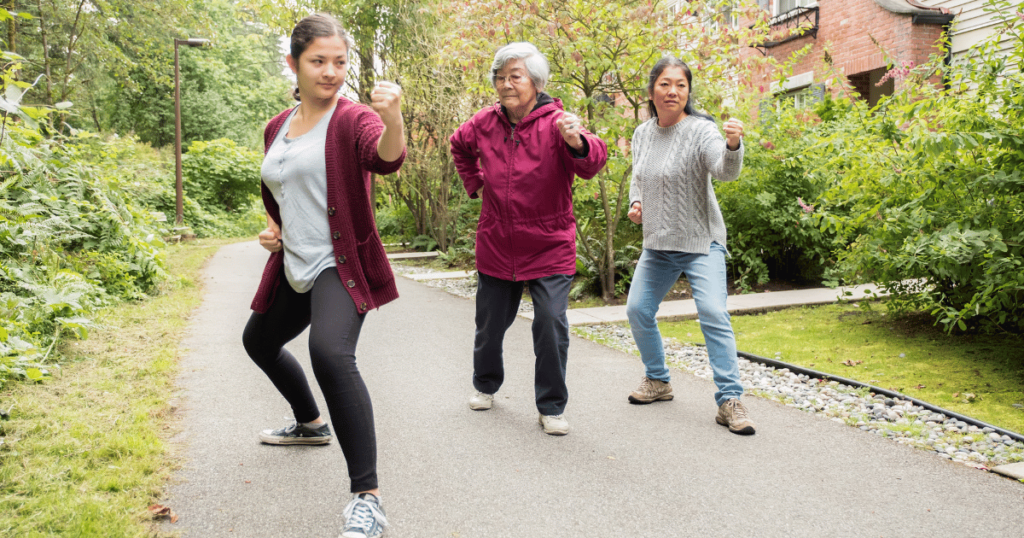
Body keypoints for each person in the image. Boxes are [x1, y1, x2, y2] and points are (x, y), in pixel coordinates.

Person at [241, 13, 405, 538]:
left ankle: (368, 498)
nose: (331, 72)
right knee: (259, 341)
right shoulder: (276, 125)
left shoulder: (353, 119)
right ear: (293, 63)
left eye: (340, 61)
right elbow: (280, 187)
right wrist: (274, 229)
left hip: (341, 263)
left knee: (331, 354)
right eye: (318, 61)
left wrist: (394, 116)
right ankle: (311, 424)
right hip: (294, 263)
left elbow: (386, 158)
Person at [450, 42, 608, 436]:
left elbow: (593, 161)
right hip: (498, 242)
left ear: (536, 83)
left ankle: (551, 407)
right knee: (489, 326)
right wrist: (476, 184)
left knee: (551, 324)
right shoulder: (484, 122)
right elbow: (459, 146)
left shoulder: (558, 122)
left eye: (514, 76)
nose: (505, 84)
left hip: (549, 242)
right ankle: (485, 385)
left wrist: (577, 143)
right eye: (500, 77)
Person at [624, 55, 756, 435]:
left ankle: (729, 400)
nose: (673, 91)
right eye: (665, 84)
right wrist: (637, 203)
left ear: (688, 91)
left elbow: (724, 171)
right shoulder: (643, 134)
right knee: (638, 310)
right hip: (659, 243)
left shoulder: (701, 130)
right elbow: (639, 176)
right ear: (652, 91)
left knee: (714, 313)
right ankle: (659, 380)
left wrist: (733, 145)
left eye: (681, 85)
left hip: (701, 241)